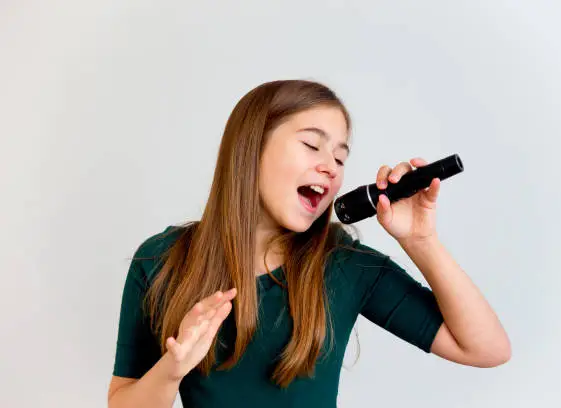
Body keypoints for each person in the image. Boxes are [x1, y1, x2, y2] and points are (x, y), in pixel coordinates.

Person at [107, 79, 511, 408]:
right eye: (312, 145)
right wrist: (173, 367)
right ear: (252, 147)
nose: (330, 166)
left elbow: (486, 349)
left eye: (340, 157)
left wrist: (420, 240)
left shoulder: (344, 264)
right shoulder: (160, 260)